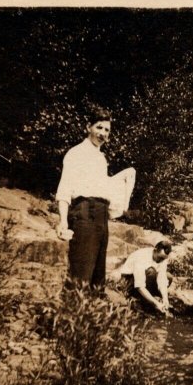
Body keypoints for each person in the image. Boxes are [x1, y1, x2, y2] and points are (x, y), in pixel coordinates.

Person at [55, 107, 135, 287]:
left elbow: (100, 188)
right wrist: (63, 221)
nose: (103, 133)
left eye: (107, 130)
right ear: (88, 127)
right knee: (81, 275)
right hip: (84, 213)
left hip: (101, 216)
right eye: (99, 127)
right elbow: (65, 189)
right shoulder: (76, 153)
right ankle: (71, 313)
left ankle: (92, 314)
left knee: (97, 279)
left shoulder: (101, 158)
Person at [112, 240, 173, 316]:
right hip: (129, 281)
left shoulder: (163, 258)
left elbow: (162, 279)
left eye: (163, 259)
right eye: (159, 258)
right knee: (151, 272)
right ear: (155, 250)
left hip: (146, 279)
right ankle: (142, 300)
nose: (160, 261)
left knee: (168, 277)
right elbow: (140, 286)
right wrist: (156, 303)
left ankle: (151, 298)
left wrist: (165, 299)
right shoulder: (141, 257)